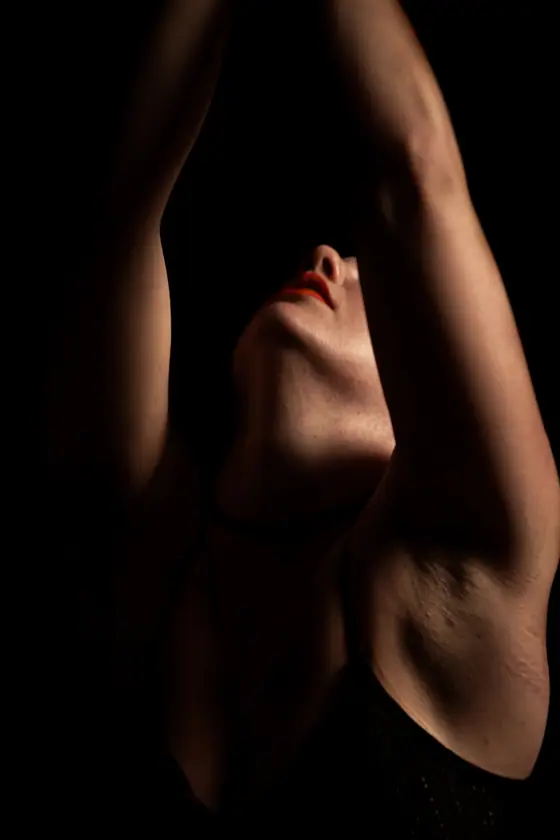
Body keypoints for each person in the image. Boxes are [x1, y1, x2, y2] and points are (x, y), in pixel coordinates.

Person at [48, 0, 559, 835]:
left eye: (364, 280)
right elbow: (126, 208)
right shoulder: (155, 545)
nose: (327, 259)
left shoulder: (468, 570)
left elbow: (411, 163)